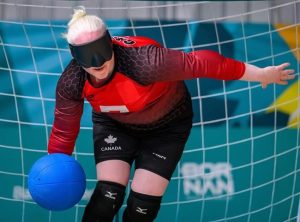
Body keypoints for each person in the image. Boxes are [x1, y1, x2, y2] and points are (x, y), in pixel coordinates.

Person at [48, 7, 295, 222]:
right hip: (115, 125)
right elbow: (63, 131)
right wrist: (53, 171)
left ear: (110, 42)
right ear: (74, 56)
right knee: (106, 198)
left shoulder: (145, 62)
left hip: (167, 126)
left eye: (100, 50)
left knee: (141, 208)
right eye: (86, 55)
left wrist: (262, 74)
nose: (96, 62)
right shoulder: (73, 81)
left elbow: (205, 63)